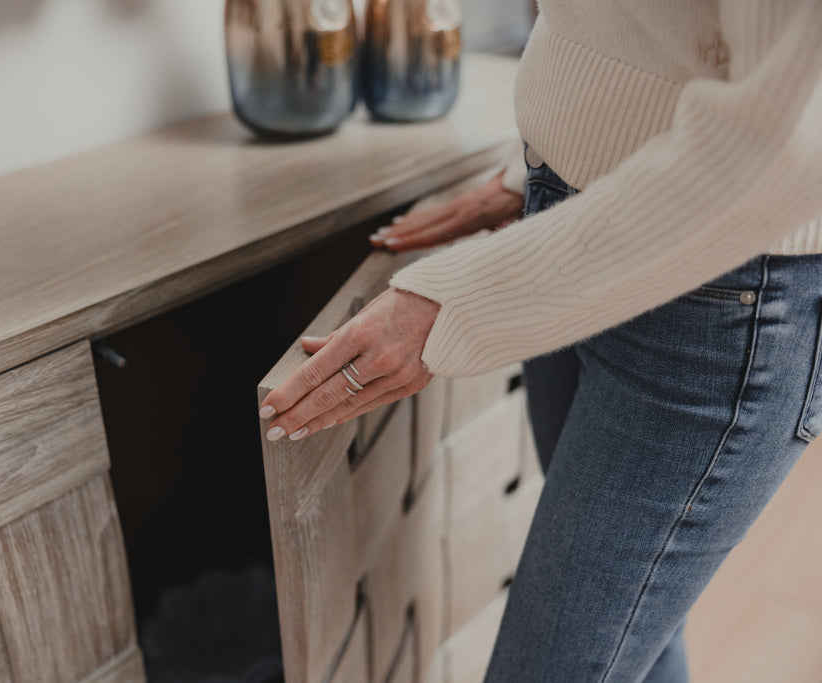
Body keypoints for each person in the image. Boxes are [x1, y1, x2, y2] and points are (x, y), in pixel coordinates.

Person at [259, 1, 822, 680]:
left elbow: (788, 141)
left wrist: (465, 298)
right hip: (571, 223)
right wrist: (533, 167)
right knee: (641, 638)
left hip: (720, 304)